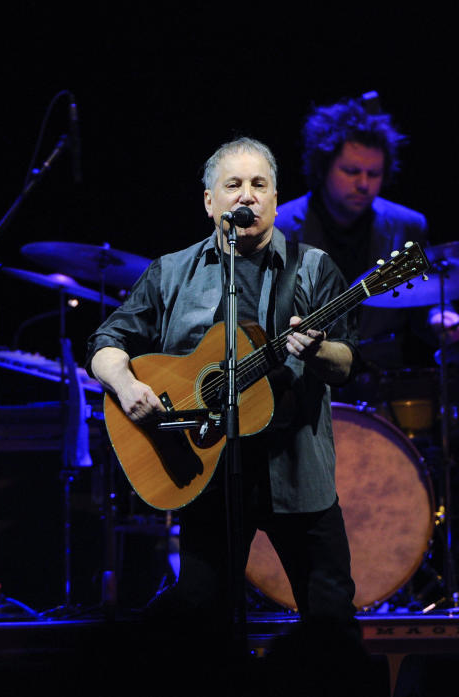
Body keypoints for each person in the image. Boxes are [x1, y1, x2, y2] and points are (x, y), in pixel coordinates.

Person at [87, 138, 361, 652]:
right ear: (210, 202)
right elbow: (105, 343)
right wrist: (126, 387)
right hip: (205, 471)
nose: (247, 196)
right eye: (233, 185)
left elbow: (349, 360)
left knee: (331, 622)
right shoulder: (171, 272)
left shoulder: (314, 267)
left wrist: (319, 350)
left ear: (276, 199)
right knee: (200, 618)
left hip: (297, 474)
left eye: (259, 185)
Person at [277, 96, 452, 369]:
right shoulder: (281, 225)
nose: (363, 184)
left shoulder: (408, 225)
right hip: (305, 382)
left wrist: (440, 317)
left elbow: (424, 299)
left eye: (374, 174)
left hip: (382, 383)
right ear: (323, 166)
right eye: (351, 171)